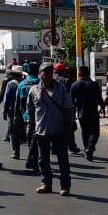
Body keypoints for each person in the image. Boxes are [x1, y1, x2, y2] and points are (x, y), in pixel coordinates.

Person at [27, 63, 74, 196]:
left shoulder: (61, 89)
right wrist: (30, 127)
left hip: (60, 129)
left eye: (50, 72)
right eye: (45, 72)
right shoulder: (33, 91)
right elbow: (30, 111)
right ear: (40, 74)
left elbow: (69, 108)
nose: (47, 75)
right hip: (41, 129)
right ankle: (46, 183)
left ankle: (65, 186)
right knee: (43, 159)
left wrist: (68, 126)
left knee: (62, 159)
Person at [70, 65, 105, 161]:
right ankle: (90, 147)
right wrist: (103, 108)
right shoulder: (94, 84)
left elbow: (71, 102)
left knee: (85, 132)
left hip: (81, 113)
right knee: (95, 132)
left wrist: (72, 114)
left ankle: (87, 148)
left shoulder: (74, 85)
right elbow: (100, 98)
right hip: (93, 112)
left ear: (80, 73)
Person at [15, 62, 40, 170]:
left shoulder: (21, 84)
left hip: (26, 117)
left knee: (30, 138)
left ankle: (32, 158)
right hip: (40, 117)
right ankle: (35, 159)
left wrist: (16, 116)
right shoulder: (41, 83)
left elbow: (17, 102)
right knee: (39, 139)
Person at [54, 62, 81, 154]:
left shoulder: (52, 80)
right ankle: (71, 146)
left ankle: (54, 147)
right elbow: (72, 95)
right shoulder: (68, 80)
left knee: (55, 126)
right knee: (69, 126)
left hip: (55, 107)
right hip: (67, 107)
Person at [2, 66, 23, 155]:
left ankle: (15, 151)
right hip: (24, 111)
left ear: (14, 74)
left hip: (13, 111)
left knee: (13, 132)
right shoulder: (24, 83)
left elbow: (6, 99)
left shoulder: (11, 84)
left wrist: (4, 111)